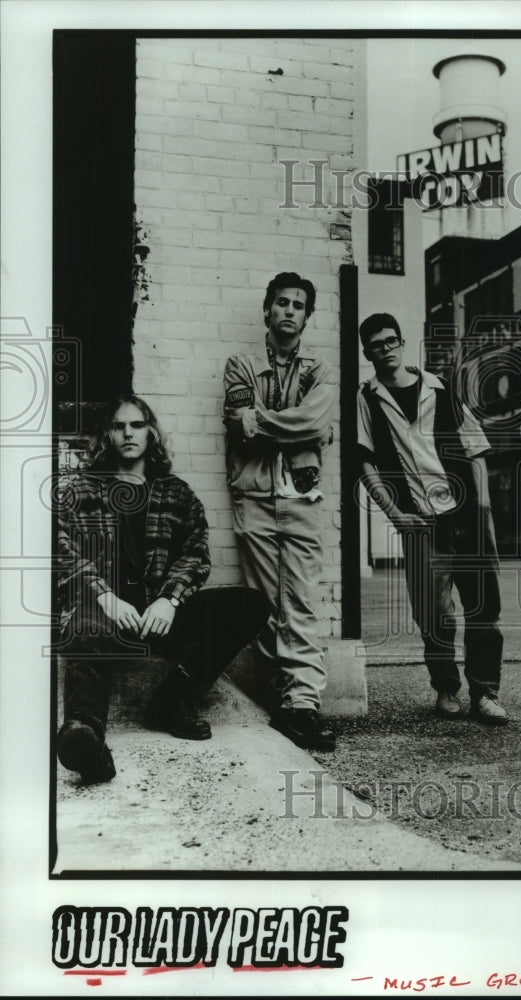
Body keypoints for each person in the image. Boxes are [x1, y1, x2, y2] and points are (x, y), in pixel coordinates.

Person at [57, 394, 267, 784]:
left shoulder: (176, 493)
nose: (128, 433)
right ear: (108, 434)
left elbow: (196, 553)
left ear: (150, 433)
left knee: (251, 604)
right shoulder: (82, 490)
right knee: (83, 627)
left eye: (136, 425)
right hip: (105, 617)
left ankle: (173, 699)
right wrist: (104, 595)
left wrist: (170, 600)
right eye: (118, 426)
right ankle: (85, 736)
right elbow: (62, 548)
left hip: (159, 618)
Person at [357, 313, 506, 725]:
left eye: (390, 341)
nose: (384, 349)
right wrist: (394, 513)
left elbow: (475, 448)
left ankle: (486, 693)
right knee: (434, 616)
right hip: (419, 522)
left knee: (483, 609)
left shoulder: (439, 386)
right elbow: (365, 462)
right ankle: (446, 688)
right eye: (375, 345)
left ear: (401, 343)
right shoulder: (366, 398)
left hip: (466, 515)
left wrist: (484, 509)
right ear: (367, 352)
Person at [223, 272, 337, 751]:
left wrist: (263, 423)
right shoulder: (240, 365)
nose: (289, 311)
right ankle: (284, 701)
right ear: (266, 310)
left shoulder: (321, 369)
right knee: (267, 605)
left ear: (307, 317)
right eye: (282, 303)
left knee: (303, 601)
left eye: (298, 305)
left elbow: (315, 421)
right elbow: (239, 426)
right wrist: (299, 430)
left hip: (302, 497)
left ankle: (304, 704)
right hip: (253, 496)